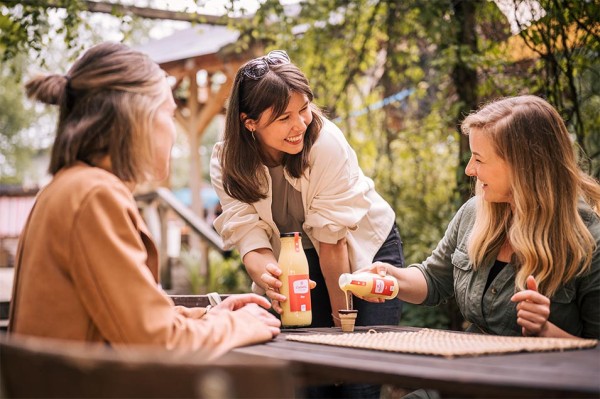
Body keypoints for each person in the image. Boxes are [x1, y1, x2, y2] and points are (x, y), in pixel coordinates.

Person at [9, 42, 281, 360]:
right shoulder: (94, 197)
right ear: (137, 118)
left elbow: (125, 318)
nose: (175, 132)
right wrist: (239, 327)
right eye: (167, 113)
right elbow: (157, 342)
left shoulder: (70, 188)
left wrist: (212, 316)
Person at [210, 50, 404, 397]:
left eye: (304, 109)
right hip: (295, 261)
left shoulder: (325, 143)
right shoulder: (227, 162)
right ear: (249, 122)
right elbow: (248, 237)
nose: (299, 124)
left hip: (358, 251)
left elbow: (333, 243)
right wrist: (272, 279)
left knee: (358, 375)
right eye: (284, 117)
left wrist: (341, 321)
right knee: (307, 381)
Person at [360, 95, 599, 340]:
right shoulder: (475, 212)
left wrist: (545, 330)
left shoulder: (590, 242)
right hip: (470, 367)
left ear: (523, 166)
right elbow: (433, 278)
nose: (470, 170)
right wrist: (391, 277)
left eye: (479, 159)